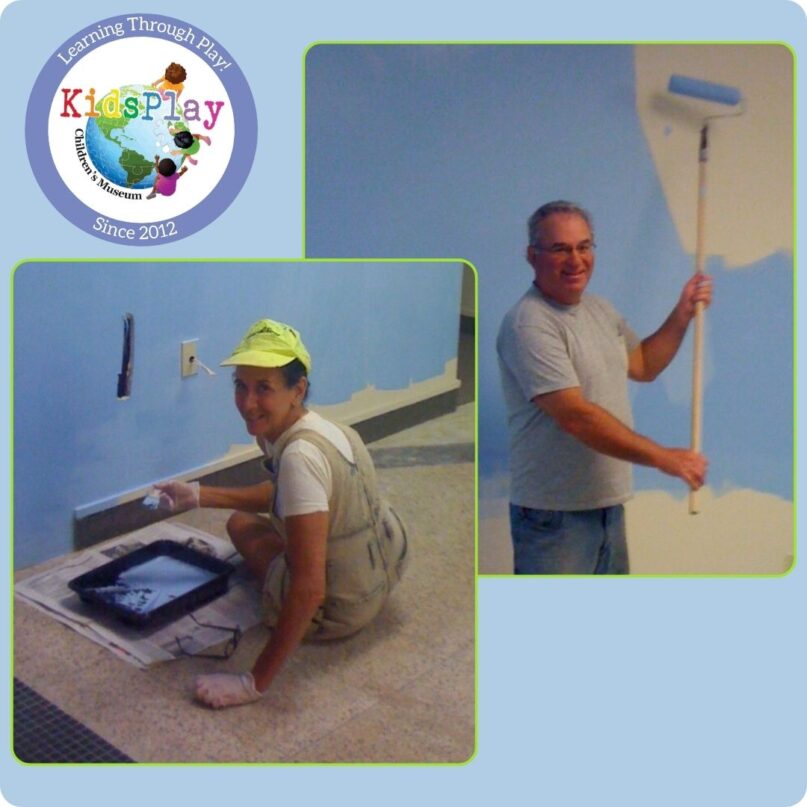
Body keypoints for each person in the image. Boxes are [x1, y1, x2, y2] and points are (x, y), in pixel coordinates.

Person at [154, 319, 409, 708]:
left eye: (264, 389)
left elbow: (309, 588)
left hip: (338, 610)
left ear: (298, 389)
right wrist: (198, 495)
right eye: (240, 386)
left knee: (242, 527)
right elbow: (288, 495)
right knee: (245, 518)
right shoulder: (326, 428)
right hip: (381, 576)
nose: (247, 402)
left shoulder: (299, 457)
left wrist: (252, 683)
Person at [496, 200, 713, 575]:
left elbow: (643, 364)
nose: (575, 260)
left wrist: (682, 314)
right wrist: (666, 458)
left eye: (584, 246)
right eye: (560, 248)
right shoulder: (528, 323)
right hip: (554, 518)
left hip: (607, 507)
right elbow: (576, 417)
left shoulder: (600, 310)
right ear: (532, 256)